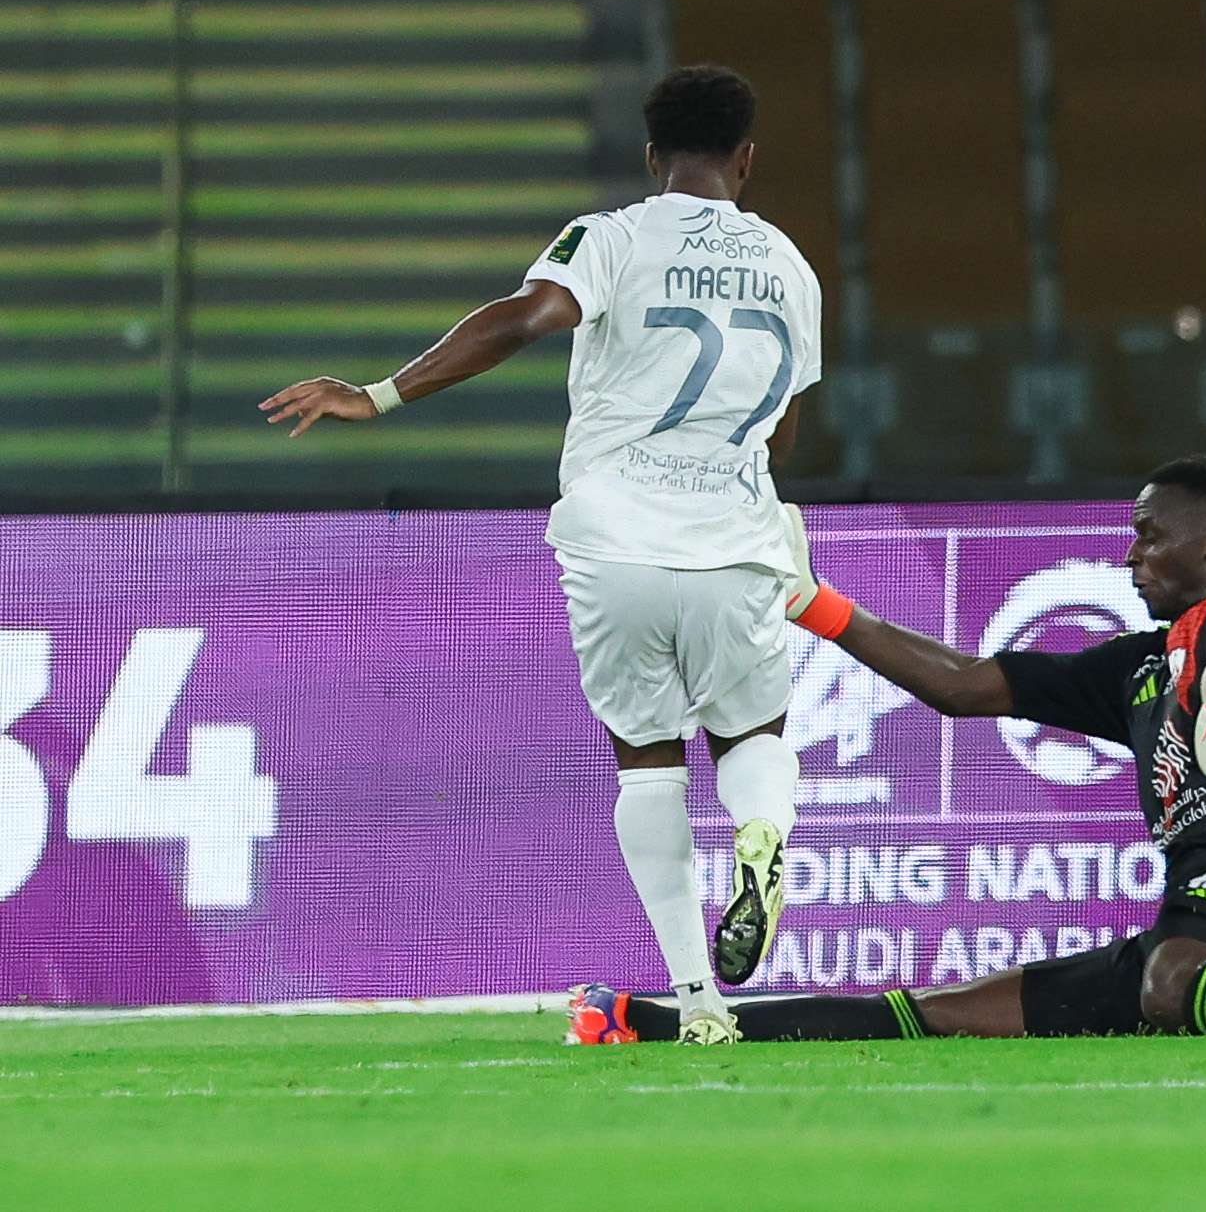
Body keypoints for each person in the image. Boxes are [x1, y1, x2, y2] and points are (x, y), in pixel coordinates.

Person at [564, 457, 1206, 1044]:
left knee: (1166, 981)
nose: (1129, 551)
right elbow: (967, 685)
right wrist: (811, 602)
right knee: (948, 1010)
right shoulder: (1137, 664)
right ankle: (662, 1020)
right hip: (1185, 911)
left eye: (1148, 533)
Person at [261, 65, 824, 1045]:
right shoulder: (790, 265)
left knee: (646, 761)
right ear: (746, 158)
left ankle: (698, 1001)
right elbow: (781, 432)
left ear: (653, 158)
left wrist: (380, 392)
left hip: (614, 540)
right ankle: (762, 836)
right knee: (754, 735)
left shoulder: (608, 237)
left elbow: (523, 317)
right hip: (734, 537)